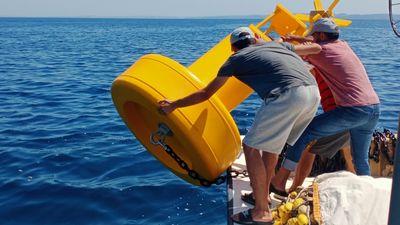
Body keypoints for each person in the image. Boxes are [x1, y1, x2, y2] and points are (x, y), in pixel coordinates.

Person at [157, 27, 322, 224]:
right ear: (254, 41)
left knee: (251, 147)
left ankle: (261, 212)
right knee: (272, 147)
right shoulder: (276, 46)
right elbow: (315, 49)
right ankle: (262, 195)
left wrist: (174, 105)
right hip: (312, 94)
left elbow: (206, 94)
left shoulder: (235, 59)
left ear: (233, 48)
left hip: (287, 95)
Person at [270, 18, 381, 197]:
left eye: (314, 35)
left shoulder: (321, 51)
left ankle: (279, 181)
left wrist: (276, 42)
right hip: (373, 109)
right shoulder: (343, 45)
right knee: (359, 158)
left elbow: (289, 51)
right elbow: (314, 43)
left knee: (303, 135)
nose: (312, 38)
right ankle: (368, 196)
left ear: (321, 35)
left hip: (351, 110)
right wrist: (295, 37)